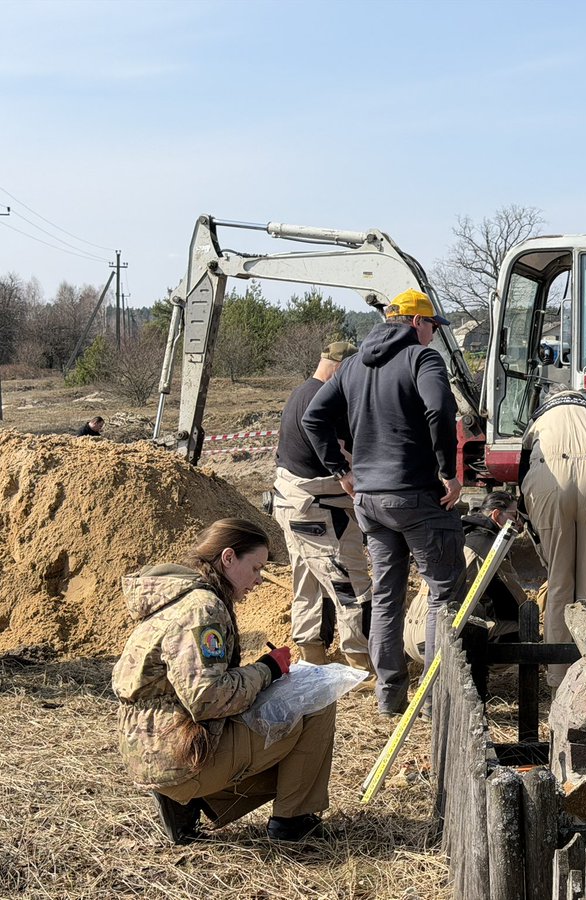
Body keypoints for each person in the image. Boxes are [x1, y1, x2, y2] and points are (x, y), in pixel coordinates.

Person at [111, 518, 335, 845]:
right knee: (317, 704)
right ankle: (292, 823)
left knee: (282, 724)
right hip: (179, 754)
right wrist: (267, 670)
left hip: (151, 748)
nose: (259, 580)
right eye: (256, 568)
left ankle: (188, 803)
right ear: (228, 558)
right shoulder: (203, 608)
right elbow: (208, 698)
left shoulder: (179, 599)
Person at [302, 288, 465, 718]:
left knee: (388, 596)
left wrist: (342, 471)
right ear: (416, 323)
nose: (433, 335)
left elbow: (312, 417)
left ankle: (390, 697)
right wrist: (449, 471)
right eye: (431, 326)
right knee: (442, 593)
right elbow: (440, 410)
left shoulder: (353, 365)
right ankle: (433, 703)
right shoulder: (422, 359)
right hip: (414, 496)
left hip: (370, 501)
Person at [272, 341, 372, 676]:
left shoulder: (302, 392)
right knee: (350, 583)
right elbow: (345, 456)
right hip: (319, 509)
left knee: (308, 581)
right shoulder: (325, 400)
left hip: (291, 501)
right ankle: (361, 664)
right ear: (341, 366)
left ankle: (312, 656)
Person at [519, 389, 586, 691]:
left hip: (548, 479)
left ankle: (558, 680)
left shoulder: (540, 418)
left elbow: (521, 474)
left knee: (559, 584)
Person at [404, 490, 527, 698]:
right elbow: (519, 602)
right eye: (514, 515)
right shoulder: (489, 545)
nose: (518, 522)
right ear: (496, 515)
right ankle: (477, 683)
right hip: (439, 643)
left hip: (412, 635)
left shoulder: (457, 533)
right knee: (520, 629)